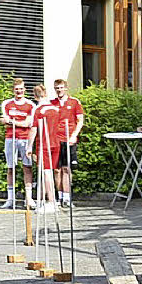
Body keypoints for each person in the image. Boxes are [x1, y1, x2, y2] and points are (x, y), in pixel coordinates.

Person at [0, 78, 35, 210]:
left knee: (27, 167)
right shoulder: (6, 104)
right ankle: (10, 199)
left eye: (21, 89)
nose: (19, 91)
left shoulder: (31, 105)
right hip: (10, 138)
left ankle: (29, 199)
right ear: (13, 90)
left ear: (24, 89)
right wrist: (16, 122)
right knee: (10, 168)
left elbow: (28, 124)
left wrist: (12, 122)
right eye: (16, 89)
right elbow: (3, 120)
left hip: (25, 138)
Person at [51, 79, 84, 209]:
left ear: (66, 88)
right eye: (56, 88)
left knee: (67, 168)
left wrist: (74, 135)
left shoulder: (74, 102)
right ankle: (59, 197)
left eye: (61, 87)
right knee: (57, 169)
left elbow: (80, 120)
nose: (59, 90)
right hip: (56, 139)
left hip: (68, 138)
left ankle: (67, 197)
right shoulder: (52, 103)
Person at [27, 85, 59, 213]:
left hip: (44, 144)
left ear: (35, 97)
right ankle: (45, 200)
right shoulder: (55, 108)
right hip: (56, 143)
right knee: (50, 171)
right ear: (46, 94)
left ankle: (51, 201)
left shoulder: (38, 110)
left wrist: (29, 146)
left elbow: (34, 129)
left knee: (46, 172)